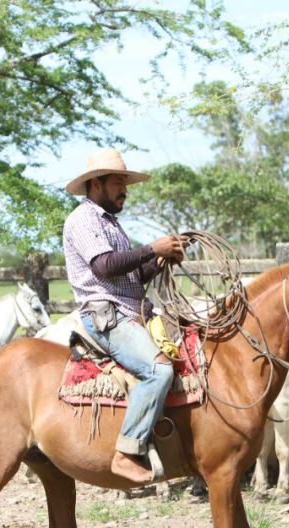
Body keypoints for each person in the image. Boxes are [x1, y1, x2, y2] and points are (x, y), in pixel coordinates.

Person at [62, 147, 187, 484]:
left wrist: (158, 260)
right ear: (96, 184)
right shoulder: (84, 219)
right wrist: (151, 249)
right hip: (107, 316)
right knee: (160, 370)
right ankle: (127, 451)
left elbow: (129, 276)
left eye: (125, 183)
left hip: (129, 310)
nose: (124, 189)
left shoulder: (112, 225)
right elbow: (103, 267)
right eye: (118, 182)